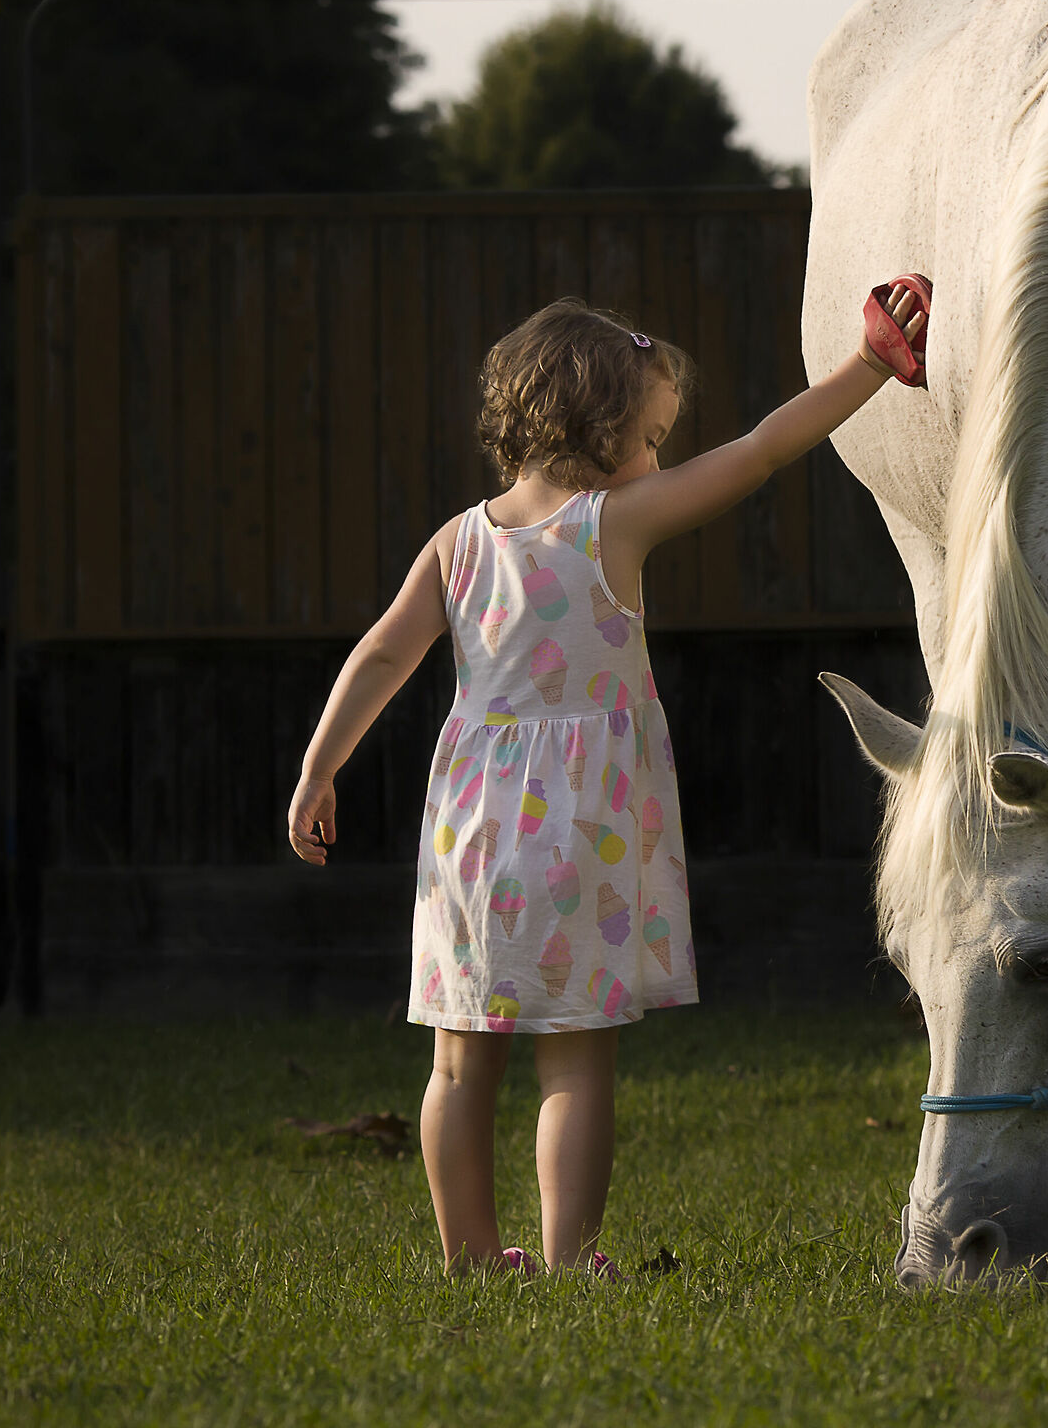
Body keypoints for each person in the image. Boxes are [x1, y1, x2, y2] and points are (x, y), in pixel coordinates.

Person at [286, 280, 928, 1274]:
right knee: (576, 1065)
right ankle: (570, 1260)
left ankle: (468, 1259)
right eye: (654, 438)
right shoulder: (611, 524)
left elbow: (379, 656)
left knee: (457, 1063)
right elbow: (762, 450)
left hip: (469, 837)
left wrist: (319, 768)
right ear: (597, 433)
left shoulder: (458, 542)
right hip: (578, 836)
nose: (662, 459)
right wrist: (871, 364)